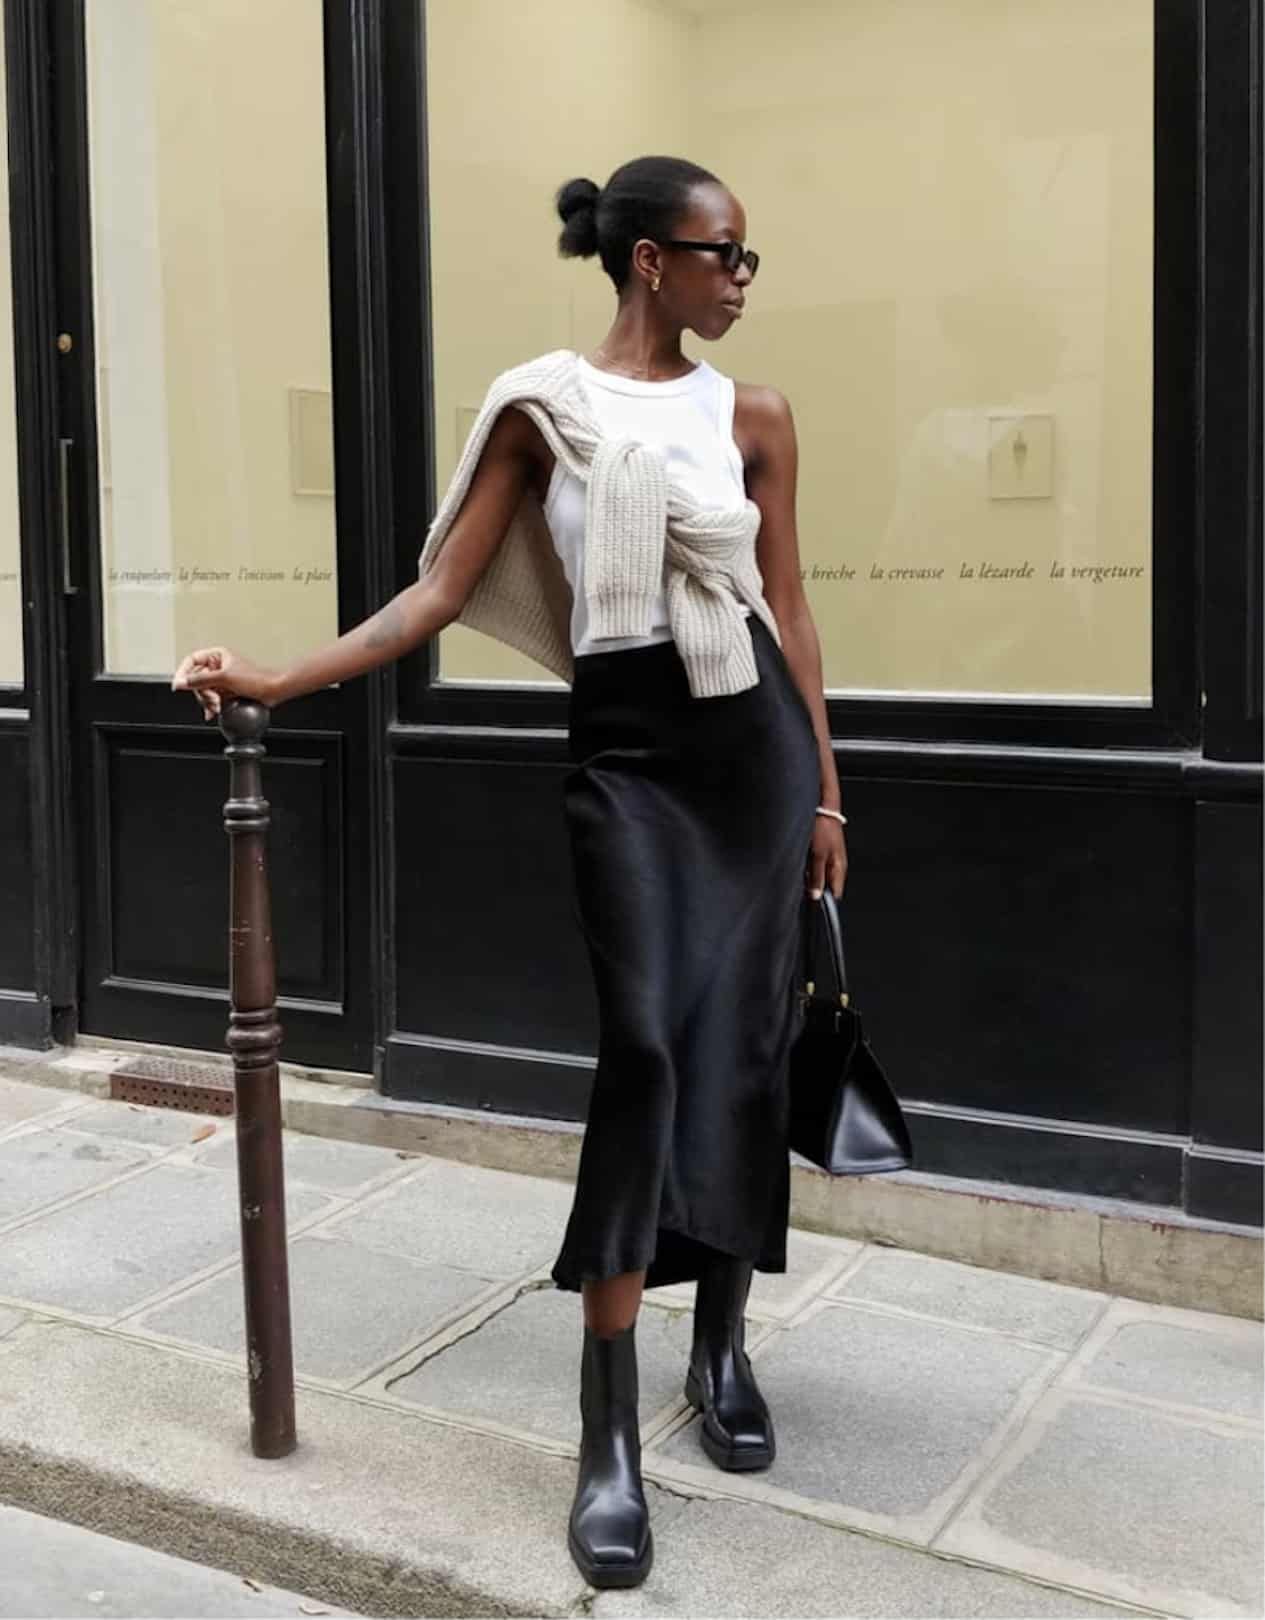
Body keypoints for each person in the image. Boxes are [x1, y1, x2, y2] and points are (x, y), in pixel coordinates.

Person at [172, 155, 847, 1591]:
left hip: (756, 759)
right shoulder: (543, 410)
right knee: (651, 1049)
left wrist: (828, 795)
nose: (740, 276)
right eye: (720, 253)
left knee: (744, 1048)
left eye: (748, 257)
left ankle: (718, 1346)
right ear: (645, 262)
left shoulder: (760, 414)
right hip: (628, 768)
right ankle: (605, 1428)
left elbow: (787, 605)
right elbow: (435, 587)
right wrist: (284, 675)